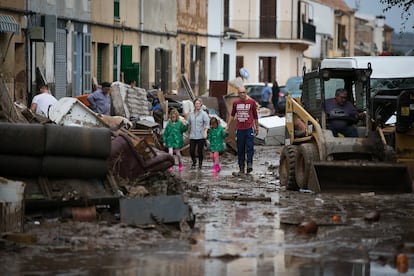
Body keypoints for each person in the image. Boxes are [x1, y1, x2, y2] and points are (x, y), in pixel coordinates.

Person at [226, 86, 259, 175]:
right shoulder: (236, 103)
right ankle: (241, 168)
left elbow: (255, 116)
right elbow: (232, 115)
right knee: (240, 149)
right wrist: (227, 126)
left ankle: (249, 164)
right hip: (240, 129)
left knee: (250, 147)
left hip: (249, 129)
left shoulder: (251, 102)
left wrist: (257, 127)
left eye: (244, 92)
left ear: (246, 93)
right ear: (238, 94)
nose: (242, 94)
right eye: (240, 93)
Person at [188, 98, 210, 170]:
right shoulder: (191, 114)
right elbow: (188, 123)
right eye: (196, 103)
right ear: (194, 104)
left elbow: (207, 124)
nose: (197, 105)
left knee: (200, 151)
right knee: (191, 151)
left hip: (201, 135)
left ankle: (200, 164)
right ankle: (194, 162)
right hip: (192, 135)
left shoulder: (204, 114)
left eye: (198, 103)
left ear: (201, 104)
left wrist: (205, 132)